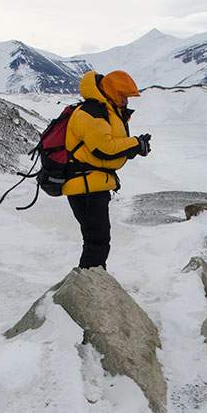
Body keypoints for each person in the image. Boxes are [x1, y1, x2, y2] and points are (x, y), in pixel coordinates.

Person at [63, 70, 151, 269]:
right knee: (97, 240)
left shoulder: (104, 111)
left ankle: (92, 284)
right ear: (112, 92)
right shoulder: (91, 113)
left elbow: (110, 146)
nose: (126, 101)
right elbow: (105, 149)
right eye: (124, 96)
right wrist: (135, 144)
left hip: (92, 184)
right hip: (85, 186)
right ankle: (89, 288)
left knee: (97, 239)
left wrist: (134, 147)